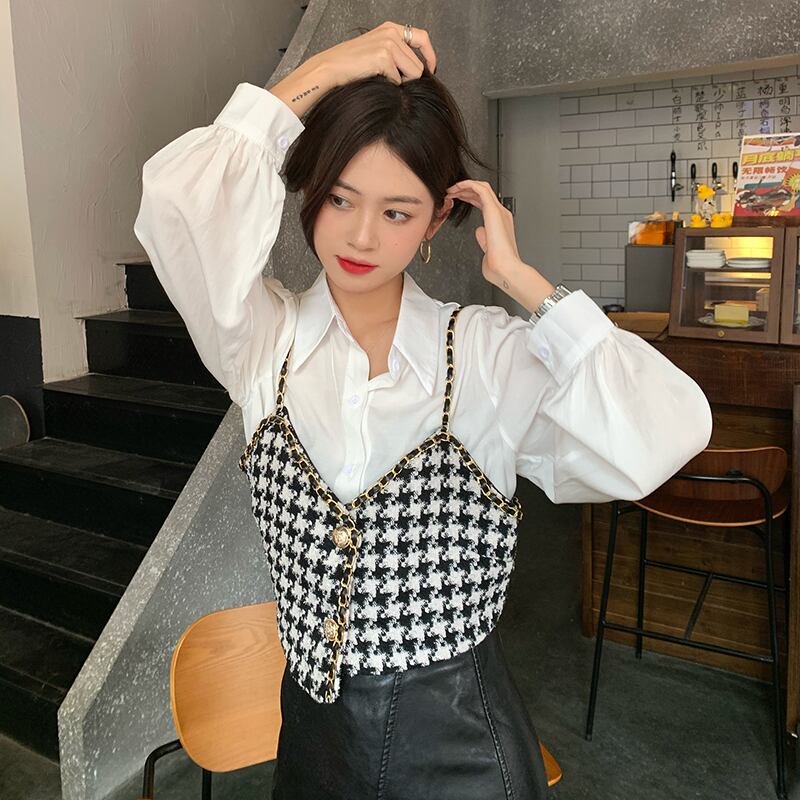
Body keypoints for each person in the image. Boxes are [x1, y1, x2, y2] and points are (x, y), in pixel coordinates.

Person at [133, 20, 713, 800]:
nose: (360, 235)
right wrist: (327, 67)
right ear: (309, 190)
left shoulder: (486, 356)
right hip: (313, 746)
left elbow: (664, 434)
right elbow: (181, 205)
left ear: (440, 218)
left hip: (462, 753)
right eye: (339, 198)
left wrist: (524, 282)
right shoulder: (262, 344)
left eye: (397, 213)